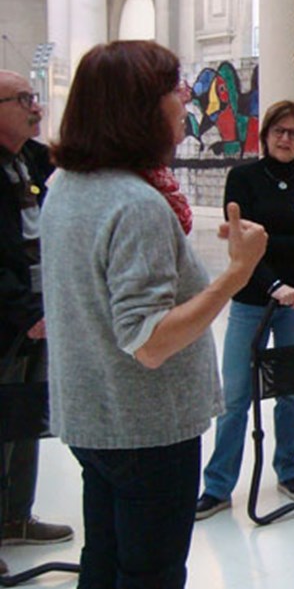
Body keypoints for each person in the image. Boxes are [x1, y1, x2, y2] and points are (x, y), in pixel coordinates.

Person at [40, 40, 267, 587]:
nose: (184, 100)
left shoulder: (66, 186)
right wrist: (237, 273)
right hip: (144, 428)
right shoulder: (135, 204)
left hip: (93, 416)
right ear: (138, 107)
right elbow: (150, 342)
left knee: (105, 559)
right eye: (172, 90)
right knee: (151, 572)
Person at [197, 100, 294, 519]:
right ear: (266, 135)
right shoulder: (243, 179)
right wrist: (272, 279)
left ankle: (288, 471)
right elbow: (241, 245)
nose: (285, 139)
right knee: (235, 395)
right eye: (279, 131)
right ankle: (218, 486)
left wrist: (265, 240)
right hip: (252, 298)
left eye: (293, 133)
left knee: (291, 392)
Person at [0, 70, 73, 573]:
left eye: (34, 96)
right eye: (23, 98)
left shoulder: (26, 160)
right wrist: (25, 314)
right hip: (10, 319)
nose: (35, 106)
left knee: (26, 418)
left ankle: (15, 518)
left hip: (35, 315)